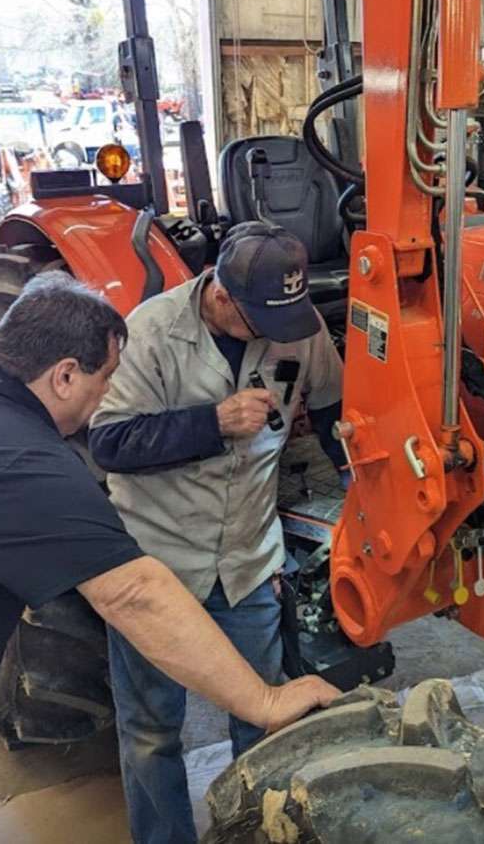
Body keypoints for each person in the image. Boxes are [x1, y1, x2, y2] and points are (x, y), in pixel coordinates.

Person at [0, 273, 338, 844]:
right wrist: (264, 699)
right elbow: (131, 592)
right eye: (105, 379)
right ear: (65, 375)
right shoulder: (28, 463)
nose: (105, 397)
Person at [88, 222, 347, 844]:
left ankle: (253, 833)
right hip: (159, 564)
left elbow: (339, 413)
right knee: (152, 732)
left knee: (262, 716)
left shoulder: (297, 326)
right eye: (258, 317)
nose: (273, 333)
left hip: (247, 561)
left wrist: (363, 489)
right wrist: (211, 423)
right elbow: (109, 443)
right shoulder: (148, 333)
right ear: (222, 295)